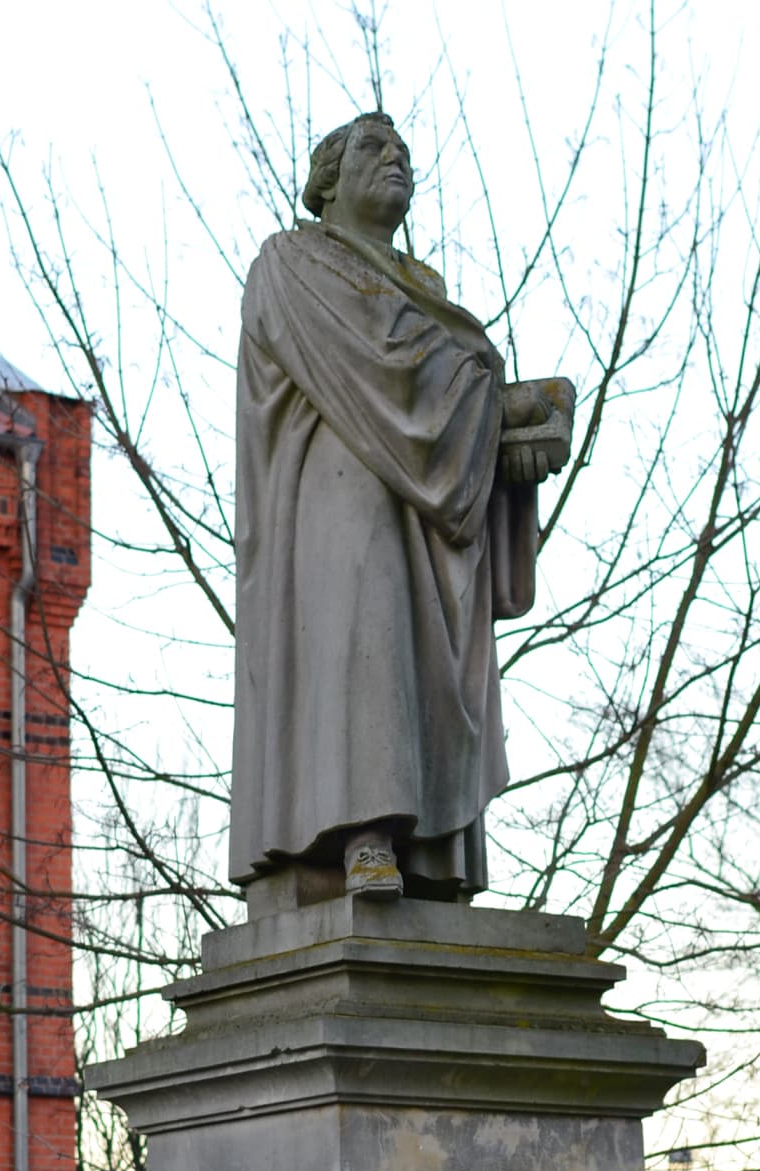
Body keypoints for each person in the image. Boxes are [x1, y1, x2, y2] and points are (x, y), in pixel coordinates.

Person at [230, 111, 572, 902]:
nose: (395, 160)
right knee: (363, 633)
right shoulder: (290, 263)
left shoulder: (424, 288)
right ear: (326, 181)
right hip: (339, 489)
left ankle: (433, 855)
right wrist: (505, 403)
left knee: (423, 656)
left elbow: (441, 391)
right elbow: (384, 370)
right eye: (373, 148)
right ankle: (365, 835)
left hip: (427, 506)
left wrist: (527, 417)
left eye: (404, 153)